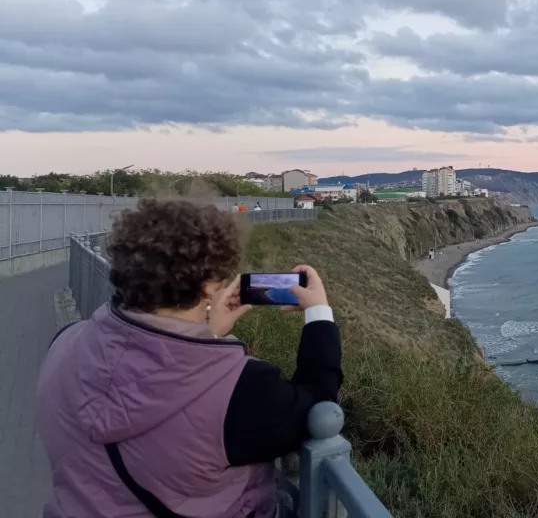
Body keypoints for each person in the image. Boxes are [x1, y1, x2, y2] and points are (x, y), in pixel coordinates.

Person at [35, 199, 342, 518]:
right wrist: (319, 313)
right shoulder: (243, 391)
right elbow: (320, 406)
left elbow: (145, 372)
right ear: (210, 285)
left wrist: (207, 334)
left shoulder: (65, 343)